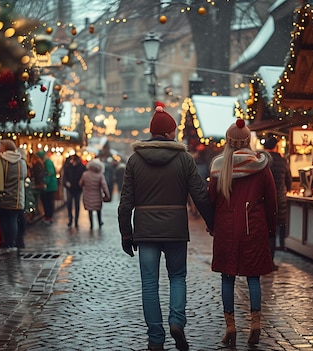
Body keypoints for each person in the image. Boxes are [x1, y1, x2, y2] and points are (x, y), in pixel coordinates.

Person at [118, 106, 214, 351]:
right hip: (175, 229)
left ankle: (155, 339)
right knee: (177, 277)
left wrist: (126, 233)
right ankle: (176, 322)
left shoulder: (134, 160)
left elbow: (126, 202)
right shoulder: (184, 159)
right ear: (171, 132)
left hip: (146, 230)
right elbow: (200, 195)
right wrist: (212, 223)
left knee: (149, 284)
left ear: (152, 133)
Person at [208, 119, 277, 347]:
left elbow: (211, 200)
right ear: (248, 140)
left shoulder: (219, 166)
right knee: (253, 277)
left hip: (226, 227)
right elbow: (271, 200)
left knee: (227, 278)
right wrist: (271, 227)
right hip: (253, 226)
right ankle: (255, 322)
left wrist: (211, 225)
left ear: (228, 141)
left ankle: (230, 327)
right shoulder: (259, 165)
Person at [0, 139, 27, 250]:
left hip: (2, 195)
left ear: (4, 148)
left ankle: (6, 243)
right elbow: (24, 176)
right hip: (17, 197)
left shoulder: (0, 160)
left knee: (4, 220)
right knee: (13, 219)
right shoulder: (21, 161)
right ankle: (11, 243)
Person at [263, 136, 292, 270]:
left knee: (261, 230)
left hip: (263, 200)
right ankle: (270, 261)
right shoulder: (282, 161)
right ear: (276, 146)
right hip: (279, 200)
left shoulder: (262, 160)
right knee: (272, 231)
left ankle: (261, 260)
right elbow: (288, 181)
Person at [79, 158, 110, 229]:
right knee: (98, 210)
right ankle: (99, 222)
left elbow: (80, 183)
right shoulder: (100, 175)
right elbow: (104, 186)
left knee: (90, 210)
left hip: (87, 195)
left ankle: (91, 224)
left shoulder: (85, 174)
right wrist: (107, 195)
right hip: (97, 195)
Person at [62, 154, 86, 228]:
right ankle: (70, 218)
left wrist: (81, 184)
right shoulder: (68, 167)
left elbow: (83, 177)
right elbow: (65, 177)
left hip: (78, 188)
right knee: (69, 204)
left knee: (77, 204)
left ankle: (76, 220)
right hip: (70, 188)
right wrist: (66, 183)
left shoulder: (82, 167)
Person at [37, 151, 58, 224]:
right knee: (47, 201)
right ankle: (48, 216)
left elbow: (50, 173)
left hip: (49, 186)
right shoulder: (47, 161)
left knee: (47, 201)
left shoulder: (47, 162)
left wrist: (45, 182)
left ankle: (48, 216)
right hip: (50, 185)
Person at [29, 152, 47, 221]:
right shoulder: (41, 164)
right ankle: (39, 212)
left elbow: (37, 175)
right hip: (39, 184)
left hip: (37, 184)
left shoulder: (37, 165)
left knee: (36, 199)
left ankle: (37, 212)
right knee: (38, 199)